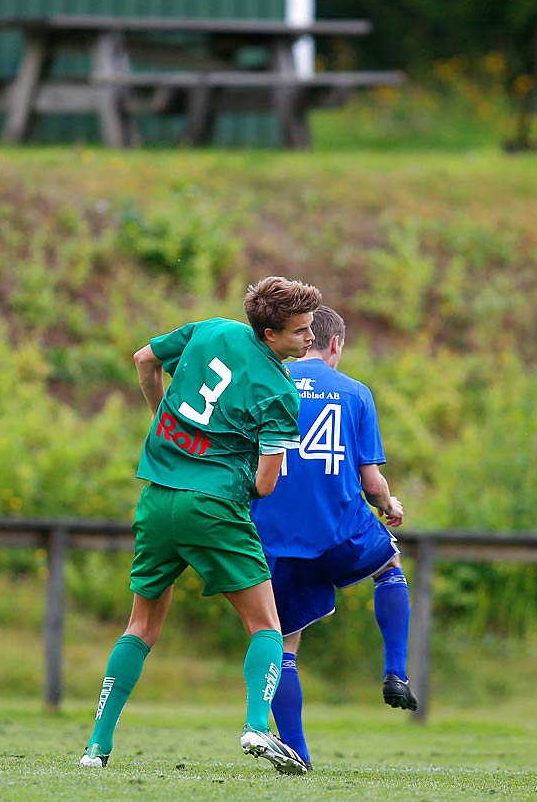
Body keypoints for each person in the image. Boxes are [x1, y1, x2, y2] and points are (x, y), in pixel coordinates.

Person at [80, 275, 321, 773]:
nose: (310, 338)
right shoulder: (279, 390)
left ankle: (96, 749)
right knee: (266, 625)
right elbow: (267, 483)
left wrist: (160, 420)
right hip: (212, 506)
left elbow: (144, 360)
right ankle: (257, 726)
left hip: (156, 497)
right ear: (271, 335)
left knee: (141, 626)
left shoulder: (212, 329)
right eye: (301, 331)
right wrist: (236, 482)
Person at [250, 306, 412, 769]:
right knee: (389, 566)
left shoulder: (266, 387)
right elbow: (371, 480)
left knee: (282, 642)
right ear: (335, 344)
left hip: (276, 539)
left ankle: (298, 751)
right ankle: (395, 671)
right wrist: (389, 506)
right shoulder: (355, 393)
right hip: (340, 532)